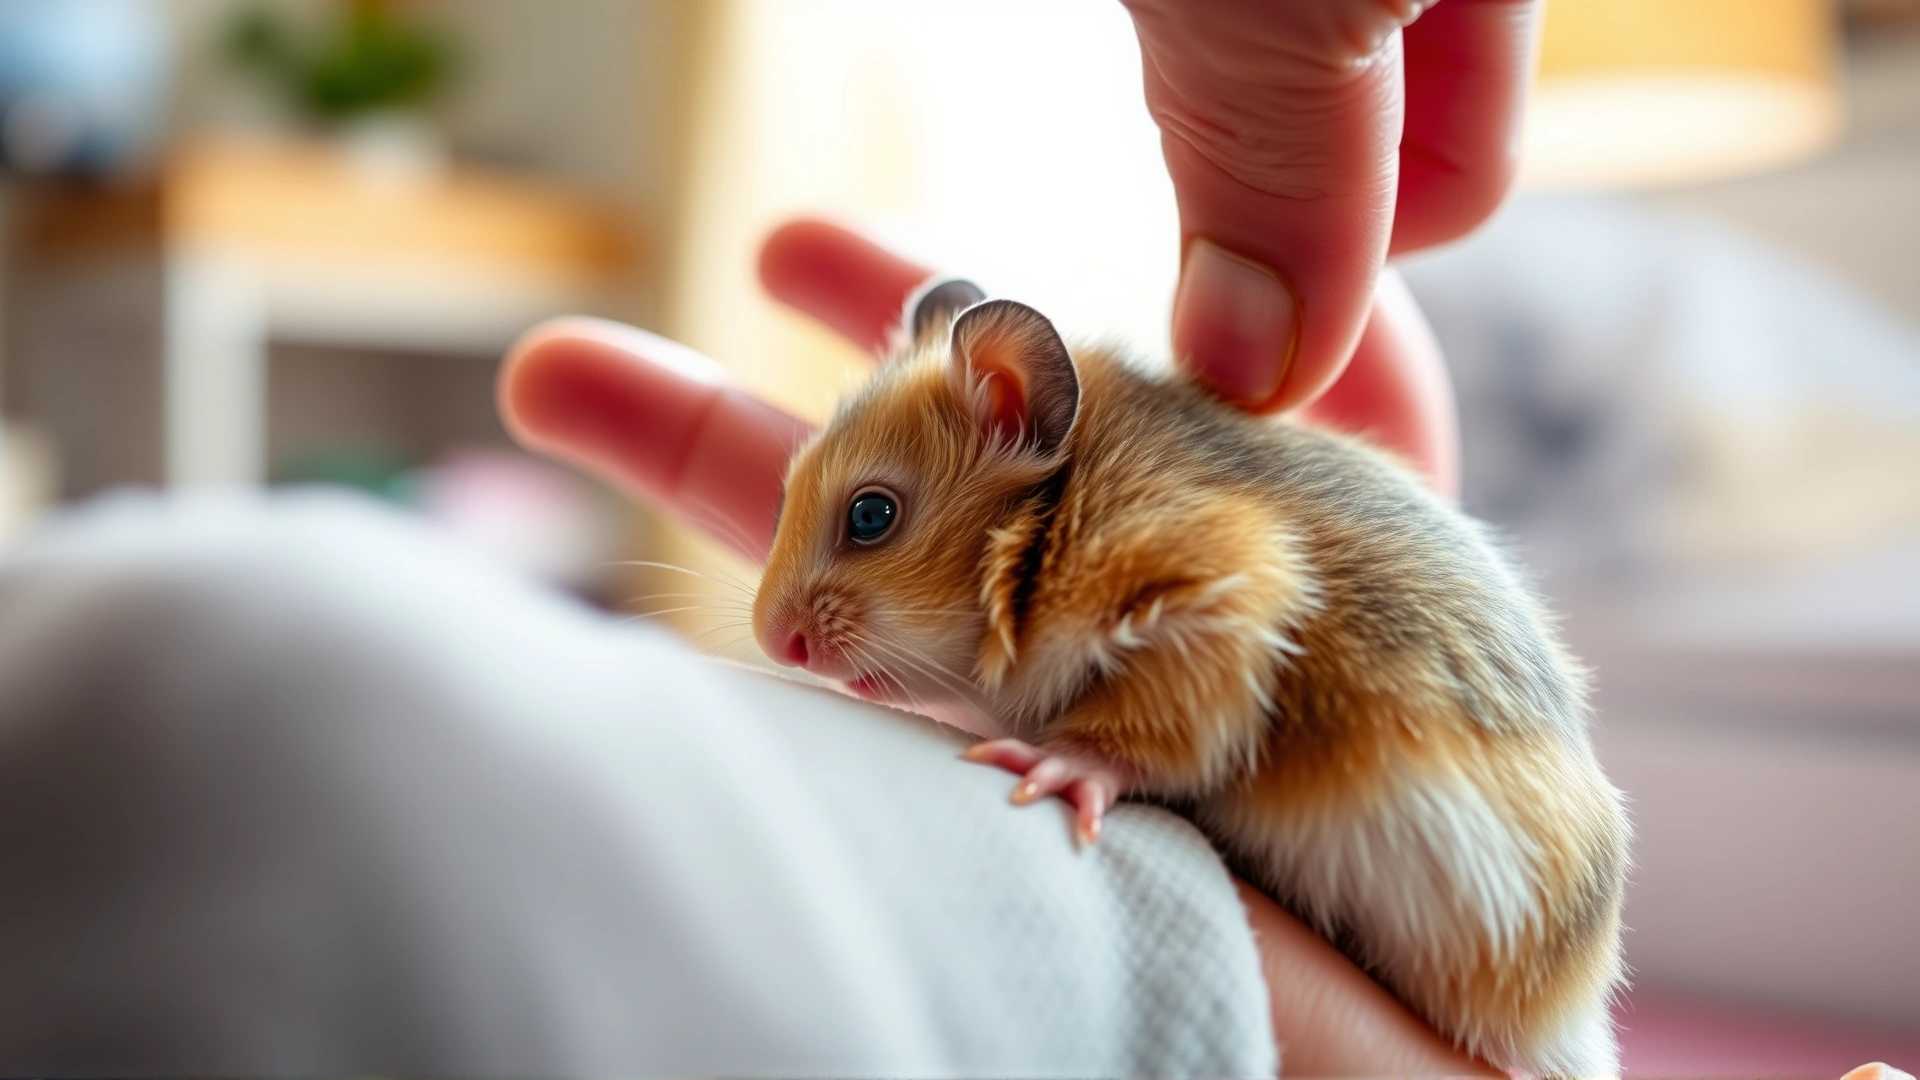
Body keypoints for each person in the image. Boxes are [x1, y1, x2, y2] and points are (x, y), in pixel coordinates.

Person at [0, 2, 1560, 1075]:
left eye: (869, 523)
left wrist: (1124, 762)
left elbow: (1239, 595)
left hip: (1477, 890)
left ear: (1018, 411)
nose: (785, 628)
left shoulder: (1135, 534)